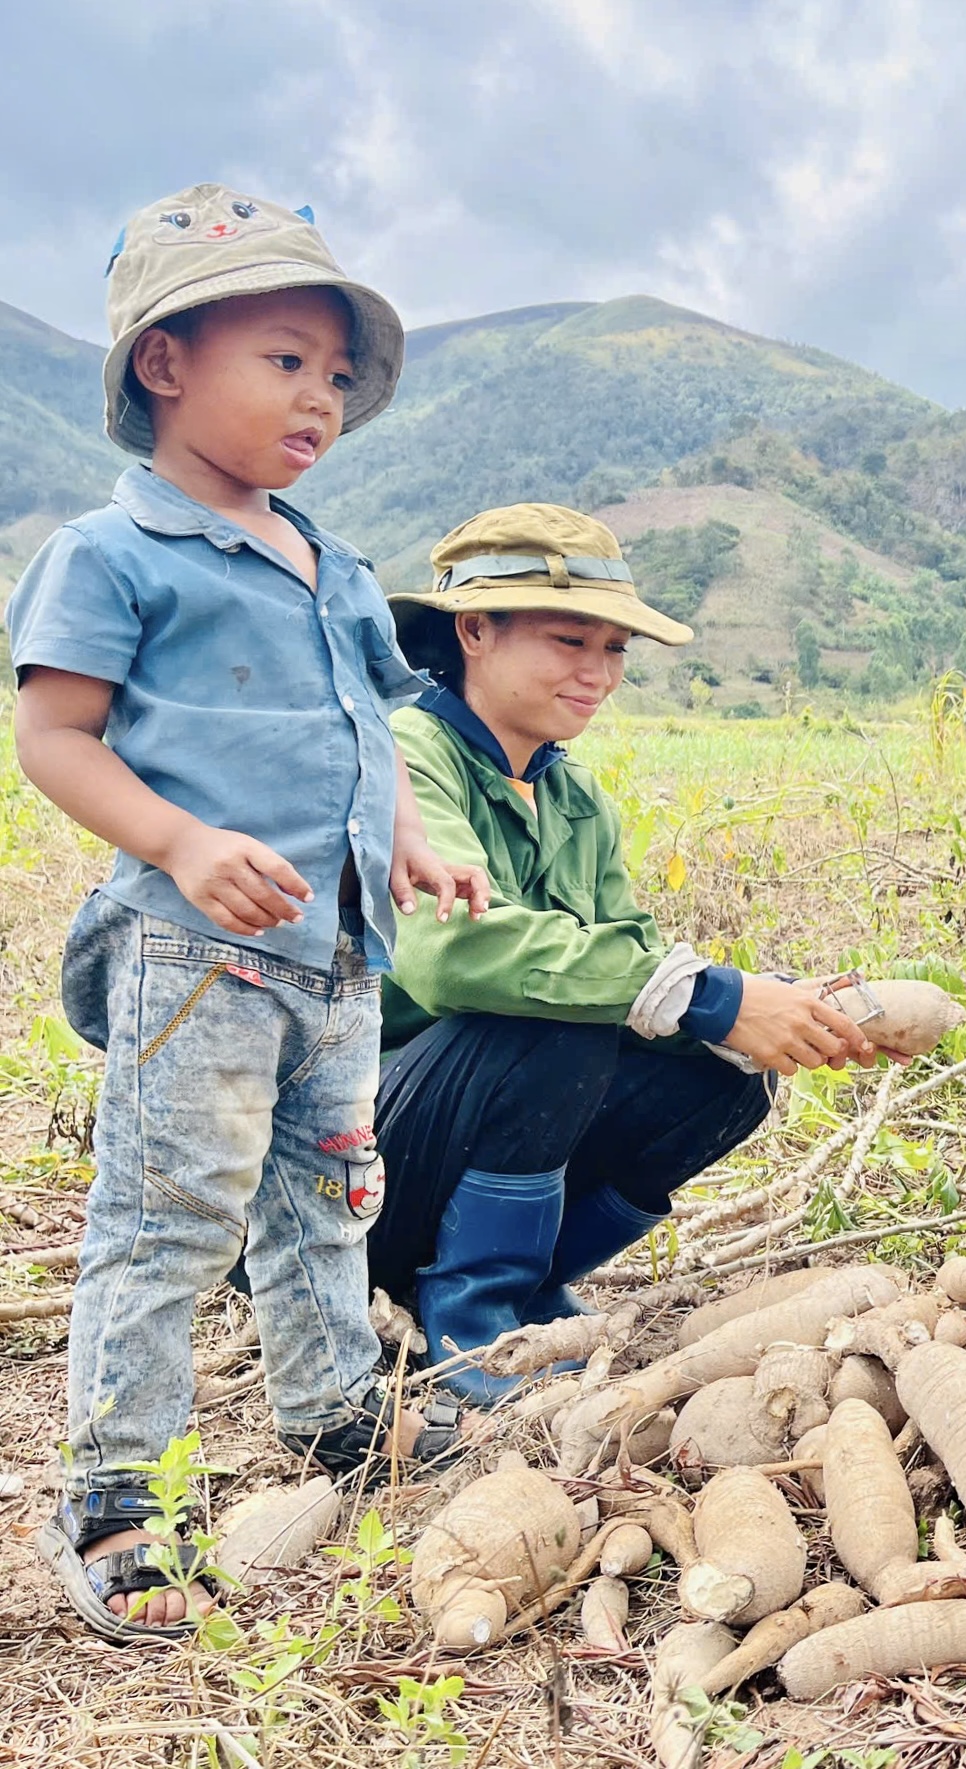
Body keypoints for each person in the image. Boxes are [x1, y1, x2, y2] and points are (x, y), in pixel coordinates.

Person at [10, 184, 488, 1639]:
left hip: (338, 957)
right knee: (169, 1218)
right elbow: (54, 738)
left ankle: (338, 1409)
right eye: (286, 361)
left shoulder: (330, 563)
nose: (322, 400)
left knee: (328, 1193)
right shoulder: (113, 555)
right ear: (166, 363)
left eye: (337, 376)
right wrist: (183, 840)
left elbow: (366, 728)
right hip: (199, 954)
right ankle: (118, 1495)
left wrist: (409, 834)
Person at [368, 504, 883, 1406]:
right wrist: (714, 995)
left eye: (614, 651)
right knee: (552, 1015)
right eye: (571, 639)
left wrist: (771, 1011)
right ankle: (473, 1321)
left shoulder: (575, 802)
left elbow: (636, 963)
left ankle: (524, 1284)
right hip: (358, 1171)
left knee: (724, 1076)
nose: (597, 673)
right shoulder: (406, 759)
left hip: (448, 1149)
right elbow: (451, 958)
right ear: (475, 630)